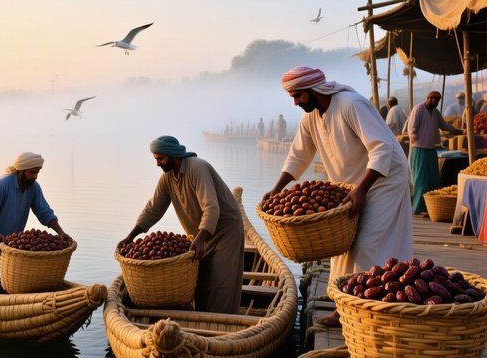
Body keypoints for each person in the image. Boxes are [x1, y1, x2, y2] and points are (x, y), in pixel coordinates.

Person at [266, 66, 413, 327]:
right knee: (342, 247)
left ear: (313, 90)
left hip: (384, 179)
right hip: (351, 185)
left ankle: (367, 308)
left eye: (298, 96)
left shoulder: (351, 104)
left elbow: (382, 148)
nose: (295, 102)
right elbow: (298, 156)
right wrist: (277, 189)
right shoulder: (310, 119)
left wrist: (362, 190)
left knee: (367, 244)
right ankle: (342, 307)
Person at [117, 135, 244, 313]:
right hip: (201, 233)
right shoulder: (167, 179)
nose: (157, 164)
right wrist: (130, 236)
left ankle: (222, 327)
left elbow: (211, 208)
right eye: (156, 159)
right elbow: (152, 209)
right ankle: (201, 320)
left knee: (220, 284)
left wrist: (200, 239)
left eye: (160, 159)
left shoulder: (197, 168)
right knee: (200, 283)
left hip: (225, 229)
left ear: (172, 155)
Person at [0, 152, 72, 294]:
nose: (35, 176)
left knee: (7, 278)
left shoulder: (34, 188)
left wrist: (60, 232)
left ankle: (3, 307)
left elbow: (44, 212)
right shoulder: (2, 184)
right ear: (21, 171)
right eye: (32, 172)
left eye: (37, 172)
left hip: (9, 242)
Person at [407, 91, 463, 214]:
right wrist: (414, 136)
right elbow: (411, 128)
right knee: (421, 179)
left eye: (438, 100)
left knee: (432, 179)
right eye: (435, 100)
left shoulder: (435, 112)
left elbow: (444, 125)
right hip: (420, 149)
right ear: (428, 98)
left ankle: (429, 207)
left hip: (432, 149)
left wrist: (459, 131)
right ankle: (417, 207)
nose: (436, 102)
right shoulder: (418, 109)